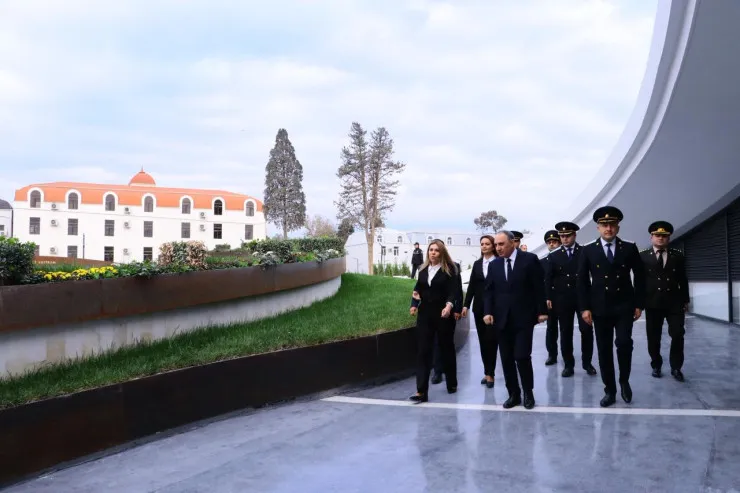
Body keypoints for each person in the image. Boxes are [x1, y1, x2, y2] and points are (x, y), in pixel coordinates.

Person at [577, 206, 645, 408]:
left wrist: (639, 304)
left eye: (612, 224)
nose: (608, 228)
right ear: (598, 227)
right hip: (600, 307)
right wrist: (584, 308)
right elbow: (582, 281)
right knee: (604, 349)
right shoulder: (588, 249)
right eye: (604, 225)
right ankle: (610, 390)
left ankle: (624, 381)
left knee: (624, 343)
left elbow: (640, 276)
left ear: (618, 227)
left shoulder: (629, 248)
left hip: (624, 305)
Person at [483, 230, 548, 409]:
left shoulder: (530, 259)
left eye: (501, 244)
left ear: (512, 242)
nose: (498, 248)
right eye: (496, 245)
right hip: (501, 320)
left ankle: (528, 392)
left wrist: (542, 311)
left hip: (524, 318)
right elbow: (488, 291)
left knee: (522, 356)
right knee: (506, 359)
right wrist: (487, 311)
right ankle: (514, 394)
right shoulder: (494, 265)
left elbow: (539, 287)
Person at [408, 239, 460, 403]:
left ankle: (452, 383)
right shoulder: (423, 270)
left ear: (442, 253)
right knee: (423, 351)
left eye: (436, 250)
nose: (433, 253)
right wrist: (414, 305)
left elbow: (453, 292)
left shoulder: (449, 270)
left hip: (443, 314)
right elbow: (418, 289)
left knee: (446, 348)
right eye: (431, 250)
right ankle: (421, 391)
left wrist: (449, 306)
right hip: (425, 315)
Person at [545, 222, 597, 377]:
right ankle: (568, 365)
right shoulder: (554, 255)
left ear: (574, 235)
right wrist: (548, 297)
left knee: (586, 330)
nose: (564, 239)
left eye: (568, 235)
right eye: (562, 236)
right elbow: (548, 278)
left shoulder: (584, 251)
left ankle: (587, 363)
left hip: (583, 298)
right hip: (563, 298)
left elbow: (594, 274)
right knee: (565, 331)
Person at [640, 221, 689, 381]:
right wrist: (638, 303)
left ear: (669, 238)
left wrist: (685, 299)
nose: (660, 238)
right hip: (652, 302)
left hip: (674, 302)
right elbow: (639, 281)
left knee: (678, 334)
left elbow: (683, 279)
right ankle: (656, 364)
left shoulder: (678, 255)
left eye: (664, 236)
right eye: (657, 235)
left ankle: (676, 367)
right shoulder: (643, 256)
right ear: (651, 237)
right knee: (653, 336)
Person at [461, 235, 498, 388]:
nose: (484, 246)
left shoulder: (499, 262)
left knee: (492, 341)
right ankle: (488, 372)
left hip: (495, 308)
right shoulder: (477, 264)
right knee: (483, 341)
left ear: (493, 246)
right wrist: (466, 305)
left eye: (487, 244)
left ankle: (491, 372)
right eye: (482, 244)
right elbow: (471, 286)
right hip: (479, 308)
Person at [431, 261, 463, 385]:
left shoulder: (454, 266)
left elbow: (458, 289)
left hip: (450, 310)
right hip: (434, 310)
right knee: (436, 341)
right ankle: (437, 371)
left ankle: (447, 369)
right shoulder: (429, 267)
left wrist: (458, 309)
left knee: (447, 341)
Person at [542, 229, 562, 367]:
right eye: (549, 242)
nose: (552, 244)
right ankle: (552, 354)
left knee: (566, 329)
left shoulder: (565, 257)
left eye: (554, 241)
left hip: (564, 297)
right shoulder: (543, 261)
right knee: (551, 328)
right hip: (550, 299)